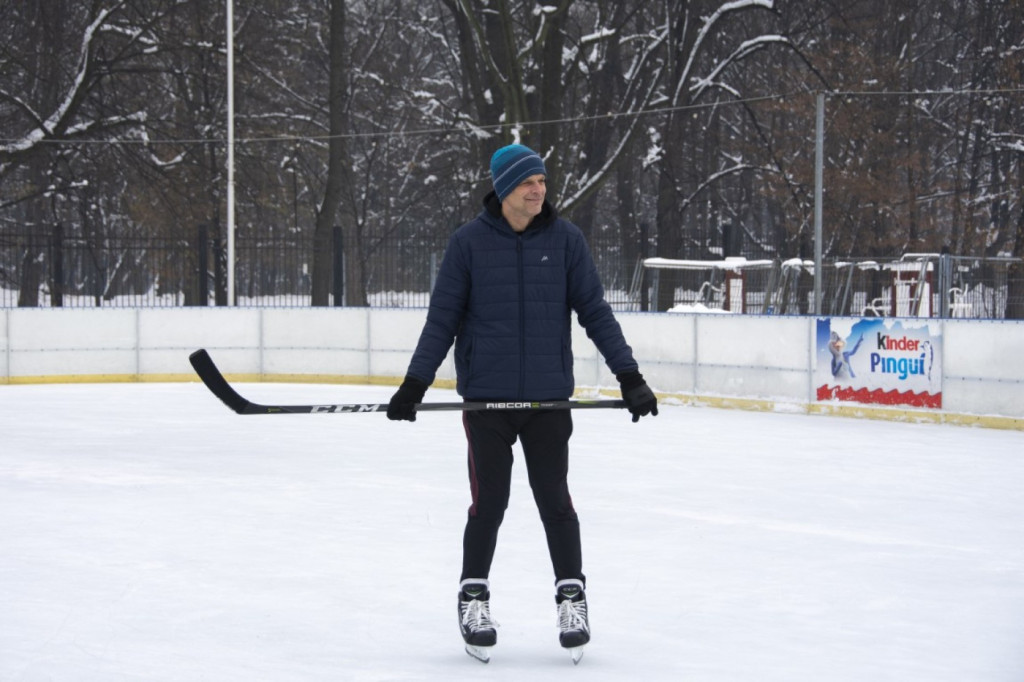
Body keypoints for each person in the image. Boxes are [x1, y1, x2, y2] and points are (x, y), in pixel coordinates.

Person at [386, 143, 658, 662]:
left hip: (548, 401)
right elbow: (441, 319)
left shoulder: (566, 240)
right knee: (489, 502)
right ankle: (473, 598)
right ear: (503, 187)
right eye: (527, 182)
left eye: (542, 181)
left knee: (555, 500)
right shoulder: (467, 244)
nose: (538, 190)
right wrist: (414, 384)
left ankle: (571, 597)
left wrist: (629, 375)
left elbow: (595, 313)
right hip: (487, 402)